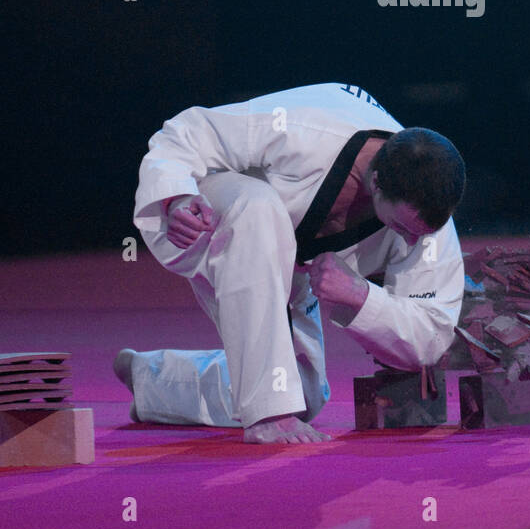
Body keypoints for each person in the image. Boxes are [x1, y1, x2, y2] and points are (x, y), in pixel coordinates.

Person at [121, 82, 466, 444]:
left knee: (297, 391)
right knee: (258, 206)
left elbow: (432, 335)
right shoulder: (307, 129)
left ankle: (152, 379)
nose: (412, 242)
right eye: (401, 228)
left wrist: (361, 295)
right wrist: (177, 197)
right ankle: (268, 417)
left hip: (284, 262)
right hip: (210, 217)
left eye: (420, 234)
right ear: (376, 182)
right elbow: (187, 132)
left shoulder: (425, 210)